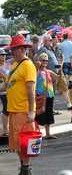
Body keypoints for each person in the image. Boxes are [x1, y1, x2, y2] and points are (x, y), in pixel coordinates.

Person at [6, 35, 37, 175]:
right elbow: (7, 85)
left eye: (13, 49)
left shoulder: (28, 65)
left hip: (23, 110)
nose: (11, 52)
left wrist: (31, 111)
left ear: (21, 50)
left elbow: (30, 90)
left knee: (25, 143)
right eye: (11, 49)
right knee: (16, 143)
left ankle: (26, 169)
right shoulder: (14, 65)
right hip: (13, 110)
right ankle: (23, 167)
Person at [34, 53, 62, 140]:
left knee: (48, 114)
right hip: (41, 95)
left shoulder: (48, 71)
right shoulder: (37, 71)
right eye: (43, 60)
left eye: (46, 60)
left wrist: (61, 70)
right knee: (39, 114)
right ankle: (36, 132)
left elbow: (57, 78)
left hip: (49, 95)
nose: (45, 62)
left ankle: (48, 133)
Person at [58, 33, 72, 110]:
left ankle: (67, 84)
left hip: (64, 61)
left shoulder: (60, 44)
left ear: (63, 37)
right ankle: (69, 83)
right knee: (70, 75)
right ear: (68, 37)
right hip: (70, 61)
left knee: (65, 76)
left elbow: (60, 54)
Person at [0, 49, 10, 136]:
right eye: (1, 55)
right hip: (3, 92)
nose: (3, 56)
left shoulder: (7, 65)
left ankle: (6, 129)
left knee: (8, 110)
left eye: (4, 55)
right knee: (6, 110)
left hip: (9, 91)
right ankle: (5, 130)